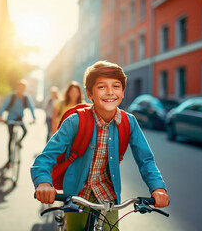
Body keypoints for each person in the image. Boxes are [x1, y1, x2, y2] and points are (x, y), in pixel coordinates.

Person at [31, 61, 169, 230]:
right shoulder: (75, 121)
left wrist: (158, 188)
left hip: (107, 195)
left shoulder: (129, 122)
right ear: (89, 93)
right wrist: (44, 183)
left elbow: (146, 160)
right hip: (77, 194)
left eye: (116, 86)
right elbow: (46, 156)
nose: (110, 92)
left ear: (123, 92)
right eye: (102, 87)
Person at [0, 79, 36, 168]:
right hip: (10, 118)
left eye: (23, 88)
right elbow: (4, 105)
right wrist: (0, 115)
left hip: (20, 118)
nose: (21, 89)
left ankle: (19, 142)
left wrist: (34, 118)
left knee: (25, 131)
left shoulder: (26, 98)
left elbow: (31, 107)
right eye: (20, 87)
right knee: (10, 139)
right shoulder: (12, 96)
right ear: (17, 88)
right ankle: (9, 160)